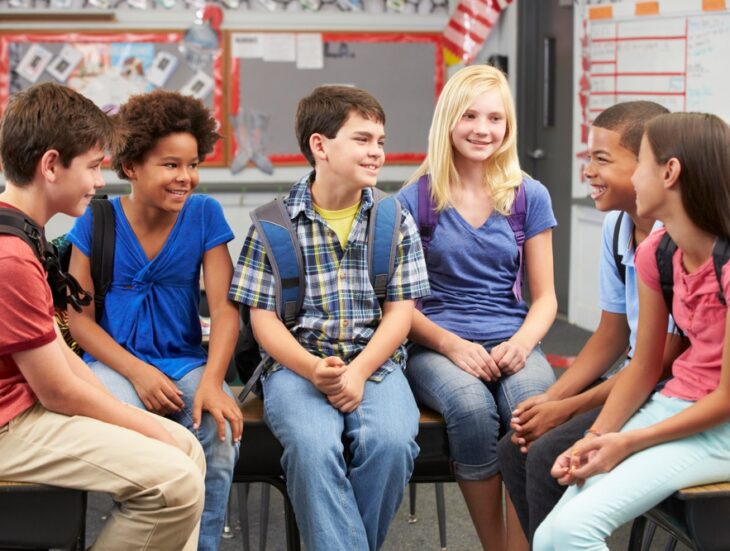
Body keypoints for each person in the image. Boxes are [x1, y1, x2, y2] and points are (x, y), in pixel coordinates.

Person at [0, 82, 205, 550]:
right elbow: (58, 389)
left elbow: (61, 356)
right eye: (93, 167)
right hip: (9, 425)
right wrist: (143, 425)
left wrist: (141, 425)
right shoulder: (10, 256)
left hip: (25, 409)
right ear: (51, 165)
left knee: (186, 447)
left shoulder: (23, 237)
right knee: (174, 480)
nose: (99, 181)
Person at [229, 85, 430, 551]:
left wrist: (358, 371)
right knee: (314, 448)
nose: (377, 152)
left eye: (380, 140)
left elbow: (400, 314)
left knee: (392, 444)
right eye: (362, 139)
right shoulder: (273, 224)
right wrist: (312, 369)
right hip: (296, 366)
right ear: (320, 145)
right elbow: (264, 322)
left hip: (375, 363)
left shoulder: (393, 218)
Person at [533, 112, 730, 550]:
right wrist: (595, 438)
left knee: (570, 532)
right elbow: (642, 367)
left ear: (670, 172)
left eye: (640, 163)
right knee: (551, 535)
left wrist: (629, 441)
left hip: (719, 427)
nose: (635, 178)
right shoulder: (656, 254)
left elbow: (725, 399)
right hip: (673, 407)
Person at [66, 90, 242, 551]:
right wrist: (137, 371)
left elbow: (224, 309)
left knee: (219, 431)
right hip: (112, 363)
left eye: (193, 164)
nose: (186, 177)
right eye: (170, 165)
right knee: (133, 438)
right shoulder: (97, 219)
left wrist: (213, 382)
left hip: (184, 361)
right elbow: (78, 321)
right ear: (131, 168)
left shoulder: (204, 214)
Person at [496, 101, 679, 544]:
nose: (589, 172)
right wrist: (550, 400)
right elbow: (612, 332)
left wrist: (568, 407)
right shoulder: (618, 226)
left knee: (544, 457)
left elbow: (662, 362)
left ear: (650, 166)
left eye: (602, 159)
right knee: (514, 446)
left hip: (668, 383)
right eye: (588, 158)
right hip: (637, 372)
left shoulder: (675, 238)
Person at [396, 64, 557, 550]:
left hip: (513, 337)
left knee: (530, 415)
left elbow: (546, 297)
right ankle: (497, 546)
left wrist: (523, 342)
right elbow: (398, 306)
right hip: (436, 343)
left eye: (495, 118)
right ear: (447, 120)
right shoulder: (414, 199)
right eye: (470, 116)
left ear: (508, 127)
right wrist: (452, 345)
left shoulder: (529, 196)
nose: (483, 130)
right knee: (470, 409)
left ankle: (524, 543)